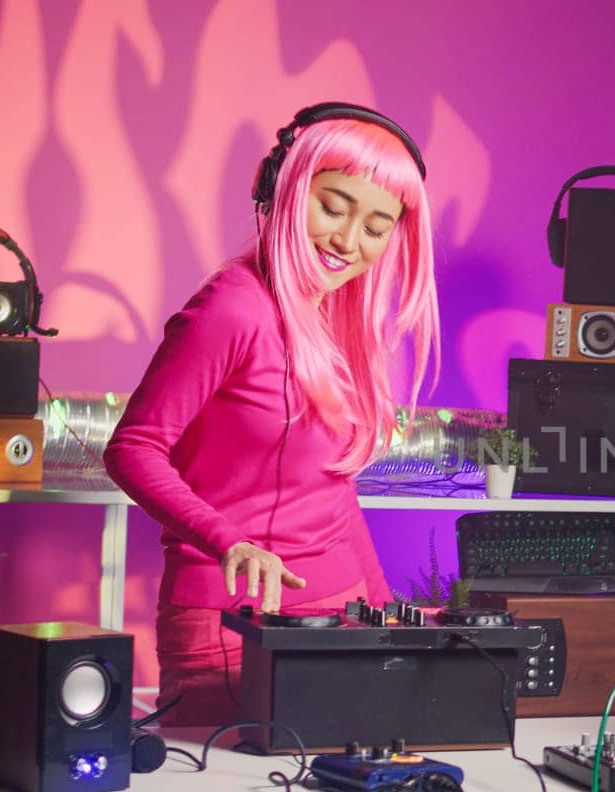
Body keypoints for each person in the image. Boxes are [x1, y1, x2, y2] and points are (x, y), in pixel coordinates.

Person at [104, 102, 440, 725]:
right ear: (283, 188)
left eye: (375, 226)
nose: (347, 240)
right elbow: (133, 448)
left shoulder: (336, 321)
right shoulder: (230, 308)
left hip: (341, 618)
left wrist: (386, 614)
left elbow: (333, 492)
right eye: (333, 207)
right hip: (232, 624)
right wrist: (229, 540)